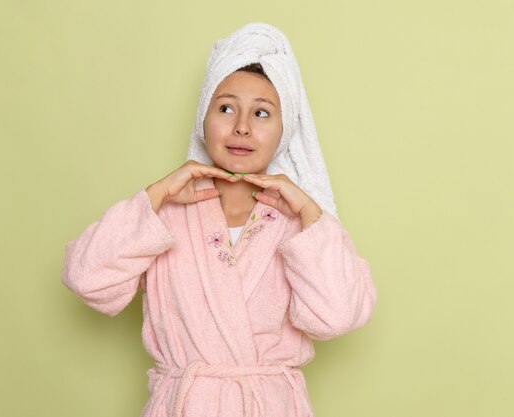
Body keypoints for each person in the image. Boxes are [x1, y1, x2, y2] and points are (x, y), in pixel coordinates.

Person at [62, 22, 376, 417]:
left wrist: (310, 211)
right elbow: (86, 279)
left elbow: (337, 317)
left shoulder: (299, 229)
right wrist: (156, 195)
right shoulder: (163, 218)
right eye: (226, 108)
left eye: (262, 113)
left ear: (285, 128)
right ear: (203, 119)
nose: (241, 126)